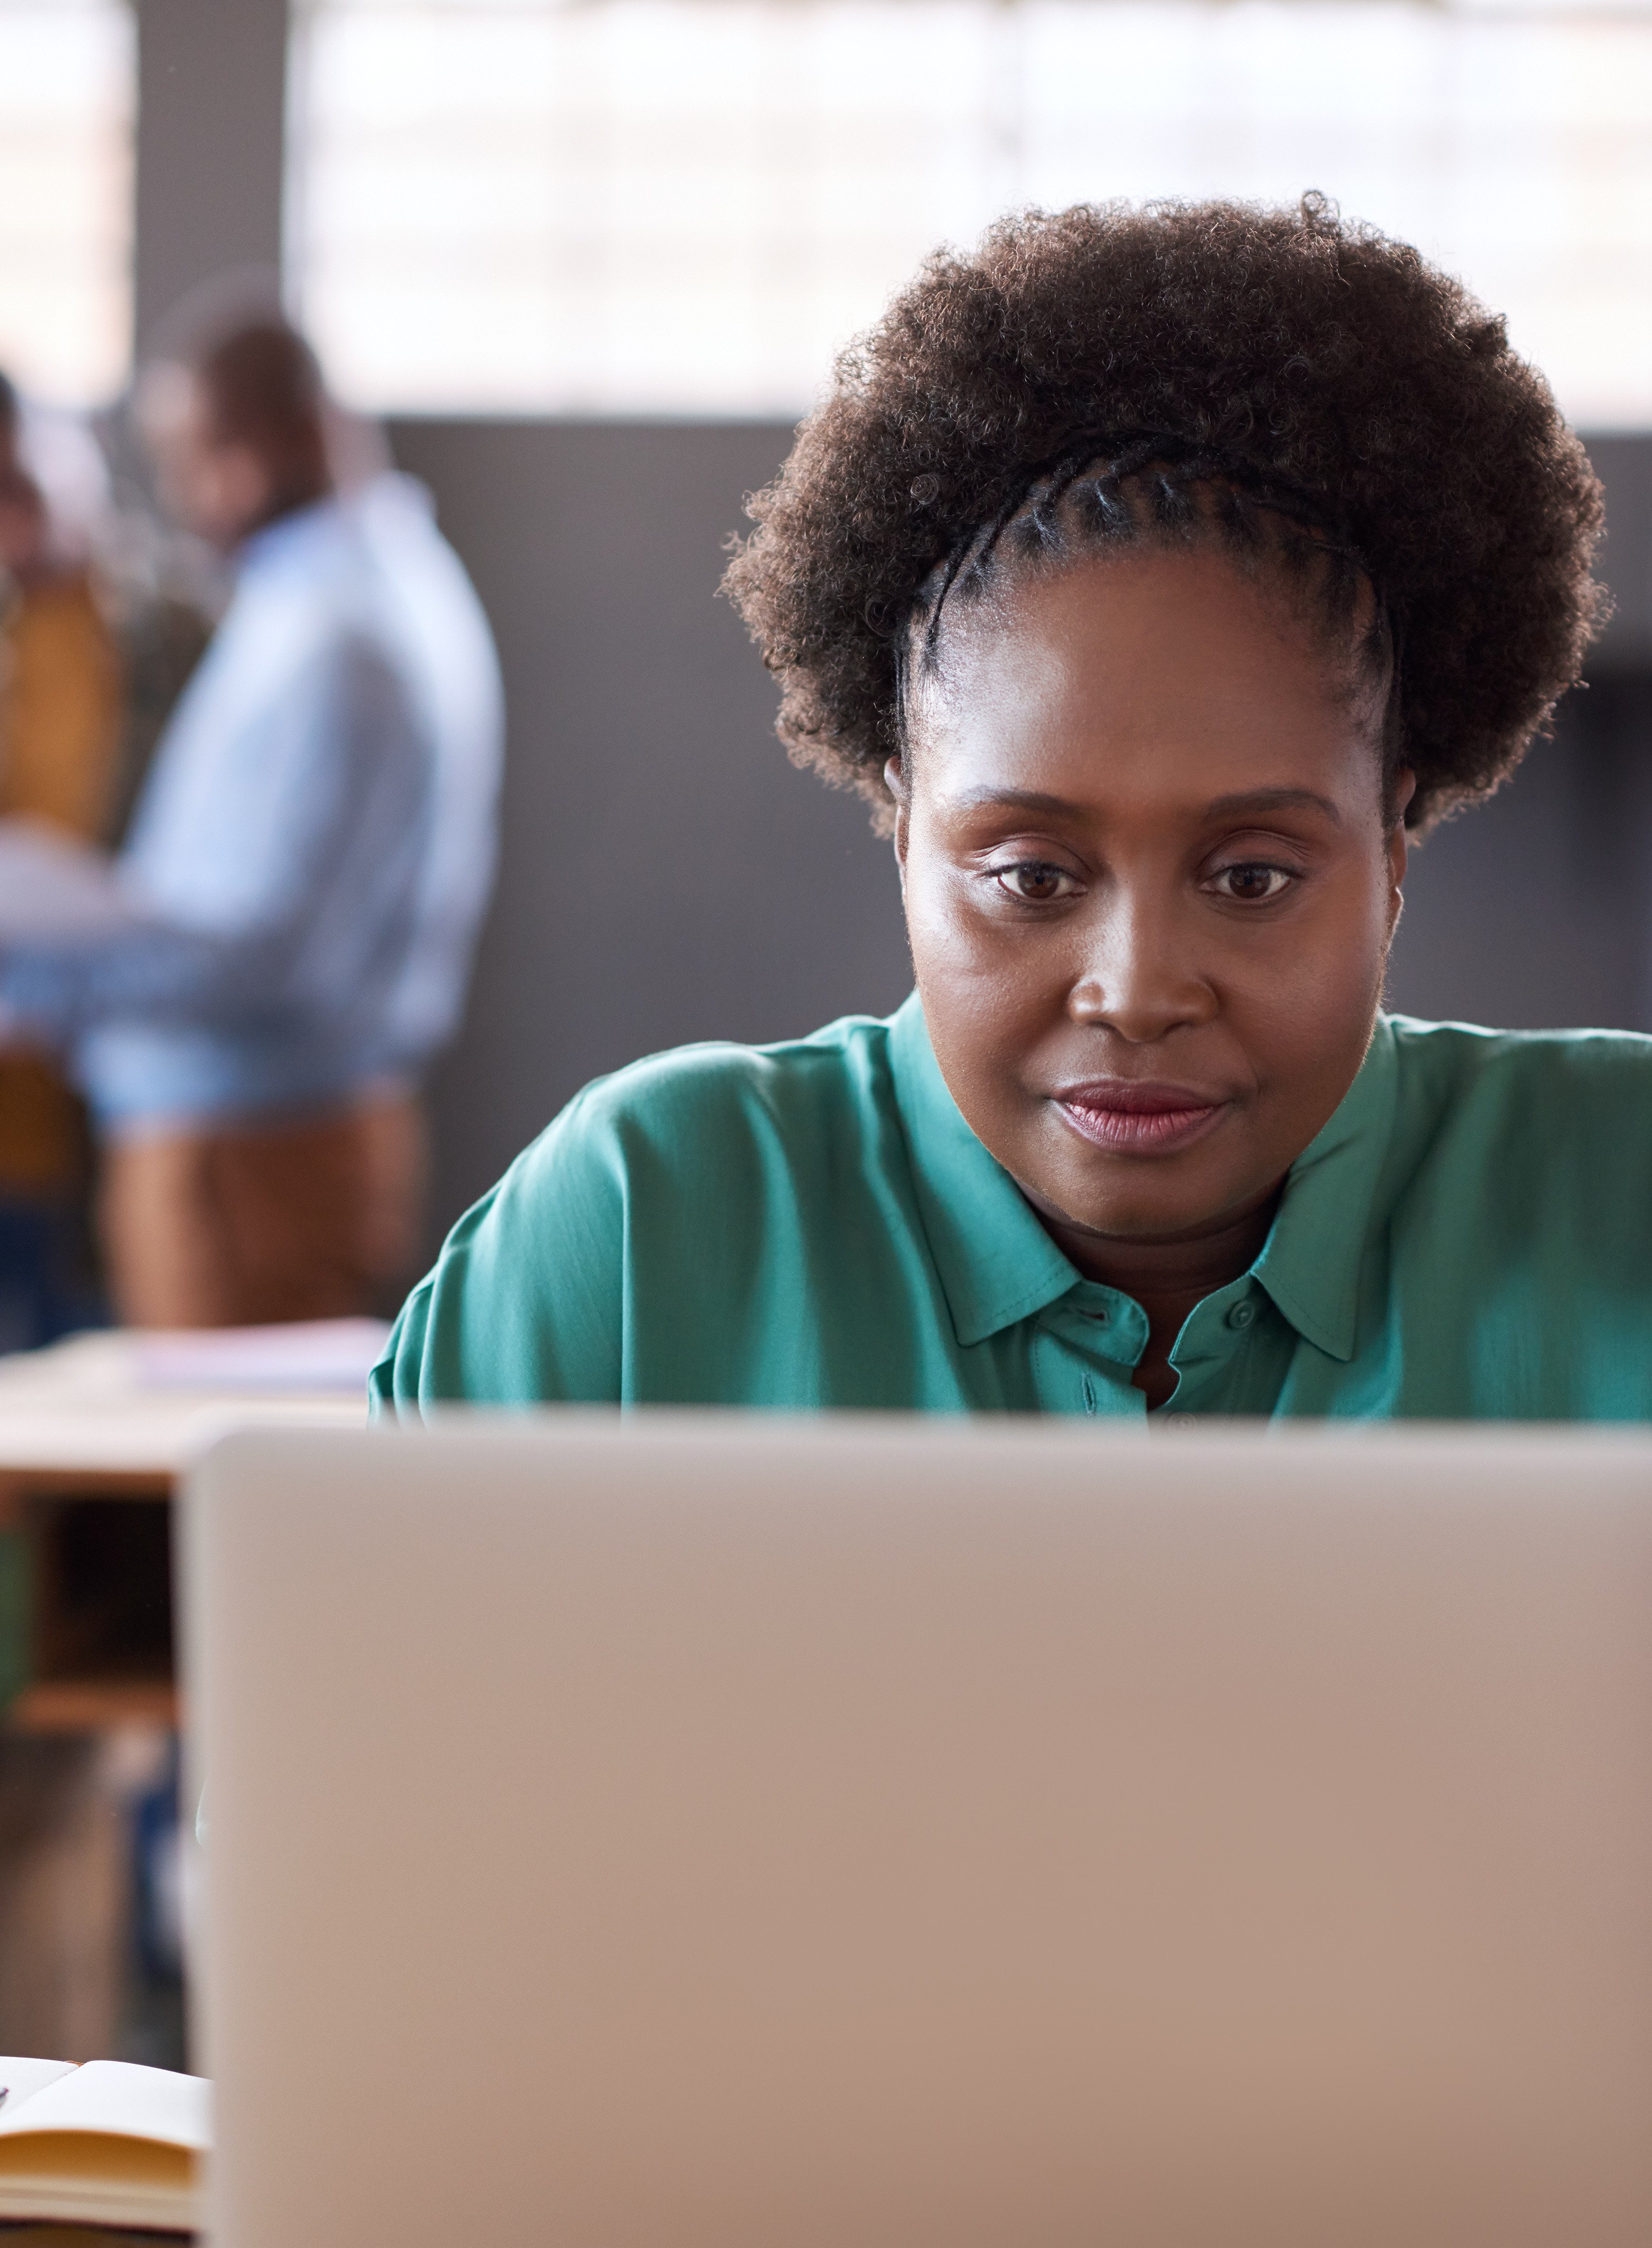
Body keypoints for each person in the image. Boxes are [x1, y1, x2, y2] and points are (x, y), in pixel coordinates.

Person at [374, 193, 1644, 1426]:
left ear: (1394, 846)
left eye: (1251, 876)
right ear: (903, 825)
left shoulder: (1623, 1188)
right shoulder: (642, 1230)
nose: (1139, 992)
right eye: (1033, 875)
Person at [0, 320, 503, 1330]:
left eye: (193, 460)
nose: (183, 497)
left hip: (253, 1153)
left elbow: (266, 948)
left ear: (264, 447)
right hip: (241, 1136)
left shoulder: (338, 635)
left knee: (209, 1479)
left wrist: (14, 975)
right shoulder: (343, 593)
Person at [0, 363, 210, 1377]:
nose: (2, 522)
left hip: (113, 1084)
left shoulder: (178, 629)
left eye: (19, 487)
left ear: (75, 453)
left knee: (84, 1410)